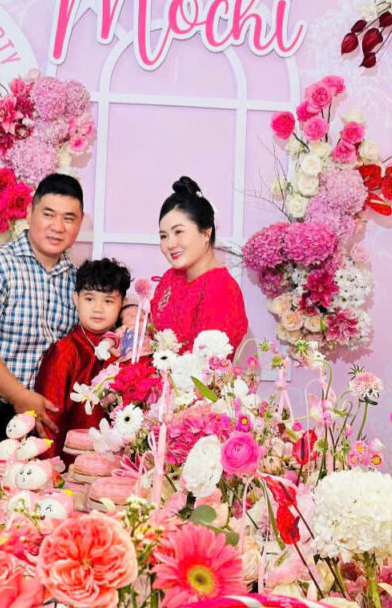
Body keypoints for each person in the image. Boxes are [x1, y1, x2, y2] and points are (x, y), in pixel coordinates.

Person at [0, 173, 84, 466]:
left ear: (80, 223)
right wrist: (20, 396)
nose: (58, 226)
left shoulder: (76, 281)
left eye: (69, 218)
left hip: (42, 423)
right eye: (48, 214)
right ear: (30, 213)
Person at [35, 257, 131, 459]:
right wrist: (51, 468)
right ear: (75, 299)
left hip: (119, 465)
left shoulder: (129, 350)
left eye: (108, 301)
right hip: (71, 464)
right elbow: (50, 418)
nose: (98, 309)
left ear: (122, 303)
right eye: (89, 299)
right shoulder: (64, 351)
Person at [150, 176, 248, 353]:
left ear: (205, 233)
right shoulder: (171, 277)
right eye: (163, 236)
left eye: (178, 232)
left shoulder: (221, 289)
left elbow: (206, 363)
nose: (170, 244)